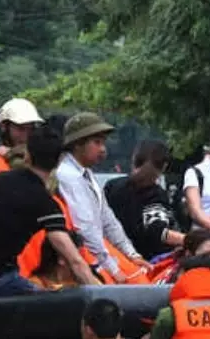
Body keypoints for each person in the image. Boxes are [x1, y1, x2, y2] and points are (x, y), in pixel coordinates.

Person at [0, 126, 100, 297]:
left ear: (27, 155)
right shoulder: (46, 204)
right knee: (54, 299)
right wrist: (103, 295)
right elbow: (74, 261)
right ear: (59, 161)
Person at [56, 112, 149, 283]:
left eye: (103, 142)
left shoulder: (86, 174)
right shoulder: (68, 176)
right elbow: (84, 228)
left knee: (141, 279)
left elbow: (108, 219)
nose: (103, 149)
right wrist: (112, 269)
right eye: (97, 142)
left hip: (97, 254)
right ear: (77, 144)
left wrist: (131, 254)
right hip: (82, 257)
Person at [104, 140, 185, 261]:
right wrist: (190, 240)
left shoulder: (111, 186)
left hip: (115, 256)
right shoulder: (155, 194)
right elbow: (157, 230)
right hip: (147, 261)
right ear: (164, 166)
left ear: (134, 158)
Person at [0, 97, 45, 168]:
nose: (26, 135)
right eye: (21, 128)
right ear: (4, 127)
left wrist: (10, 153)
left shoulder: (43, 158)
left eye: (31, 129)